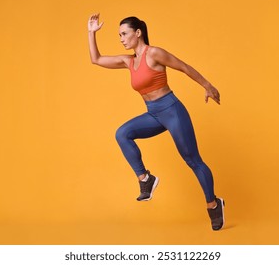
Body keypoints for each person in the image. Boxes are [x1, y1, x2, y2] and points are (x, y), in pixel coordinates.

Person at [88, 13, 225, 231]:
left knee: (193, 160)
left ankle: (213, 204)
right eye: (119, 35)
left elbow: (184, 67)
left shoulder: (155, 53)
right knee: (122, 133)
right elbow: (96, 59)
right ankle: (145, 179)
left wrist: (208, 86)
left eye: (124, 34)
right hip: (153, 114)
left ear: (138, 32)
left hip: (172, 111)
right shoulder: (128, 61)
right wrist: (91, 32)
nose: (121, 39)